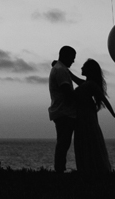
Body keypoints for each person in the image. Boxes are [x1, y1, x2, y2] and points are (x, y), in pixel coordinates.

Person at [67, 59, 115, 175]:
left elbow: (104, 100)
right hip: (82, 115)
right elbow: (72, 76)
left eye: (83, 67)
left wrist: (114, 114)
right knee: (84, 140)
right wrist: (61, 66)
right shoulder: (86, 83)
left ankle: (90, 168)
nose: (81, 68)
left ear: (89, 70)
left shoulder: (91, 84)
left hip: (87, 116)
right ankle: (86, 168)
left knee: (88, 140)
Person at [47, 45, 80, 173]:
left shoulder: (60, 68)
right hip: (64, 112)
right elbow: (67, 91)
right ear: (65, 56)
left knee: (63, 143)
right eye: (72, 58)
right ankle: (59, 170)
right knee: (63, 143)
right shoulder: (61, 70)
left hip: (62, 112)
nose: (73, 61)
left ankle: (60, 169)